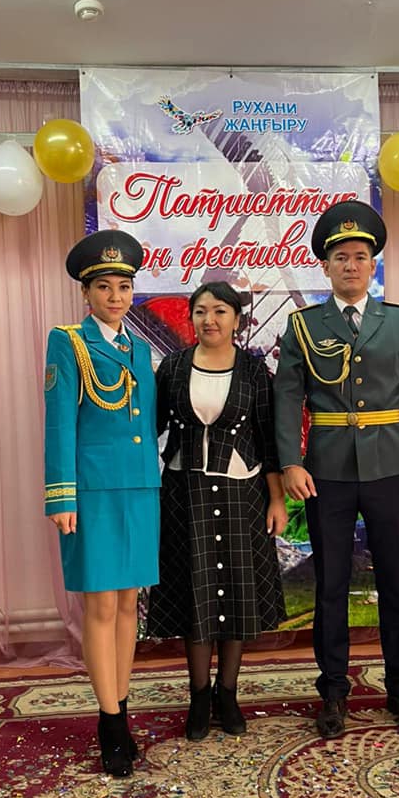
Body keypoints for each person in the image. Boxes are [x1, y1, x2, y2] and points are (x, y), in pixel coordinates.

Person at [273, 200, 399, 739]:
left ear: (373, 265)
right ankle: (333, 694)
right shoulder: (303, 326)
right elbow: (286, 398)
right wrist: (290, 462)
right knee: (330, 585)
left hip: (390, 465)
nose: (351, 265)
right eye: (341, 258)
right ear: (325, 266)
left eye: (360, 257)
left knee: (394, 581)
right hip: (325, 470)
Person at [147, 282, 288, 740]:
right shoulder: (172, 367)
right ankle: (199, 697)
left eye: (220, 311)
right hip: (184, 492)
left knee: (236, 596)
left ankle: (228, 693)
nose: (210, 319)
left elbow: (267, 438)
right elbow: (150, 428)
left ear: (236, 319)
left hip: (242, 492)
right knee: (197, 594)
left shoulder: (253, 370)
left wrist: (277, 499)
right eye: (201, 311)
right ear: (191, 317)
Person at [44, 229, 160, 777]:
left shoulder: (140, 349)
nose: (116, 296)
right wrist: (61, 494)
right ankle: (109, 722)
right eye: (105, 287)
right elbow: (59, 422)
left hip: (139, 489)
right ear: (86, 293)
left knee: (129, 604)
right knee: (101, 606)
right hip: (91, 491)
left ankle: (124, 706)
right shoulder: (68, 343)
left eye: (124, 286)